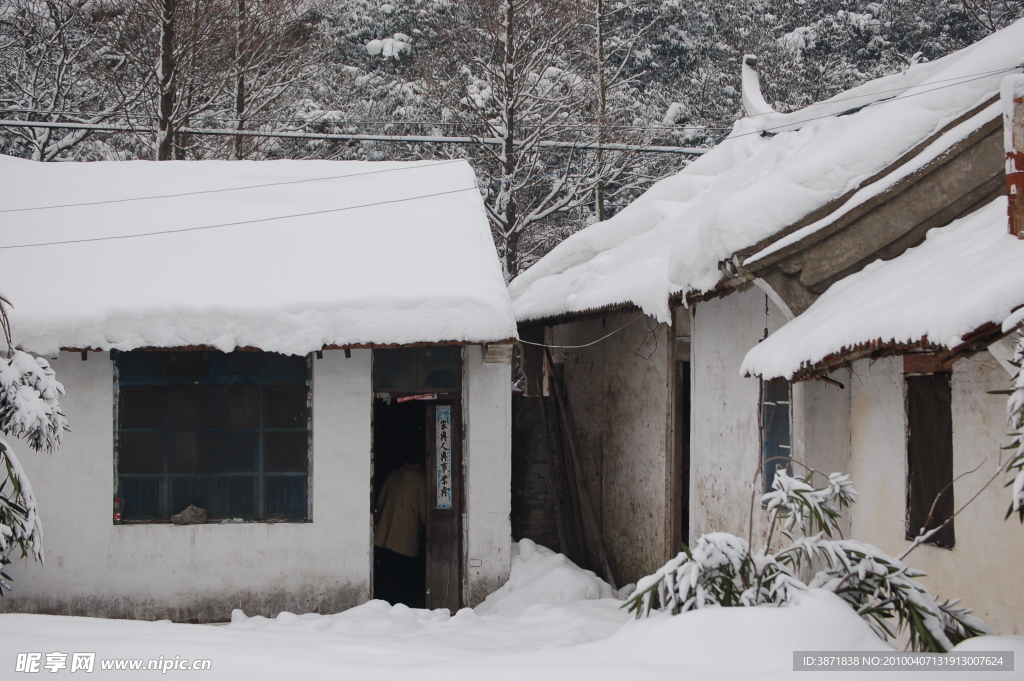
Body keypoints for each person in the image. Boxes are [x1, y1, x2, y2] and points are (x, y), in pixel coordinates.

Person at [373, 453, 426, 607]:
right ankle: (402, 607)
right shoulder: (421, 482)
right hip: (406, 539)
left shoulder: (393, 475)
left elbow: (380, 501)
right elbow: (424, 514)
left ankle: (384, 605)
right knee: (405, 579)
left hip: (384, 536)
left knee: (387, 577)